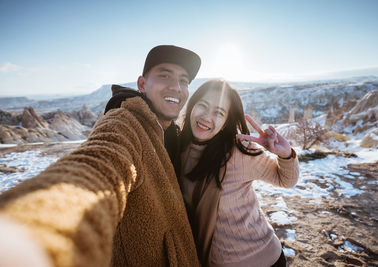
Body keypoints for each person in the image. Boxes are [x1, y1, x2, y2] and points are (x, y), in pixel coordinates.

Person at [0, 45, 202, 267]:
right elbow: (100, 162)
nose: (177, 87)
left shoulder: (172, 134)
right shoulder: (123, 123)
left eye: (184, 81)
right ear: (142, 84)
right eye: (165, 75)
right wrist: (35, 229)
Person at [179, 80, 299, 267]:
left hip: (265, 259)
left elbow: (286, 180)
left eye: (218, 112)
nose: (207, 117)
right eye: (202, 105)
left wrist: (285, 155)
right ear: (192, 106)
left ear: (226, 121)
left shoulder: (239, 151)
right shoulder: (177, 148)